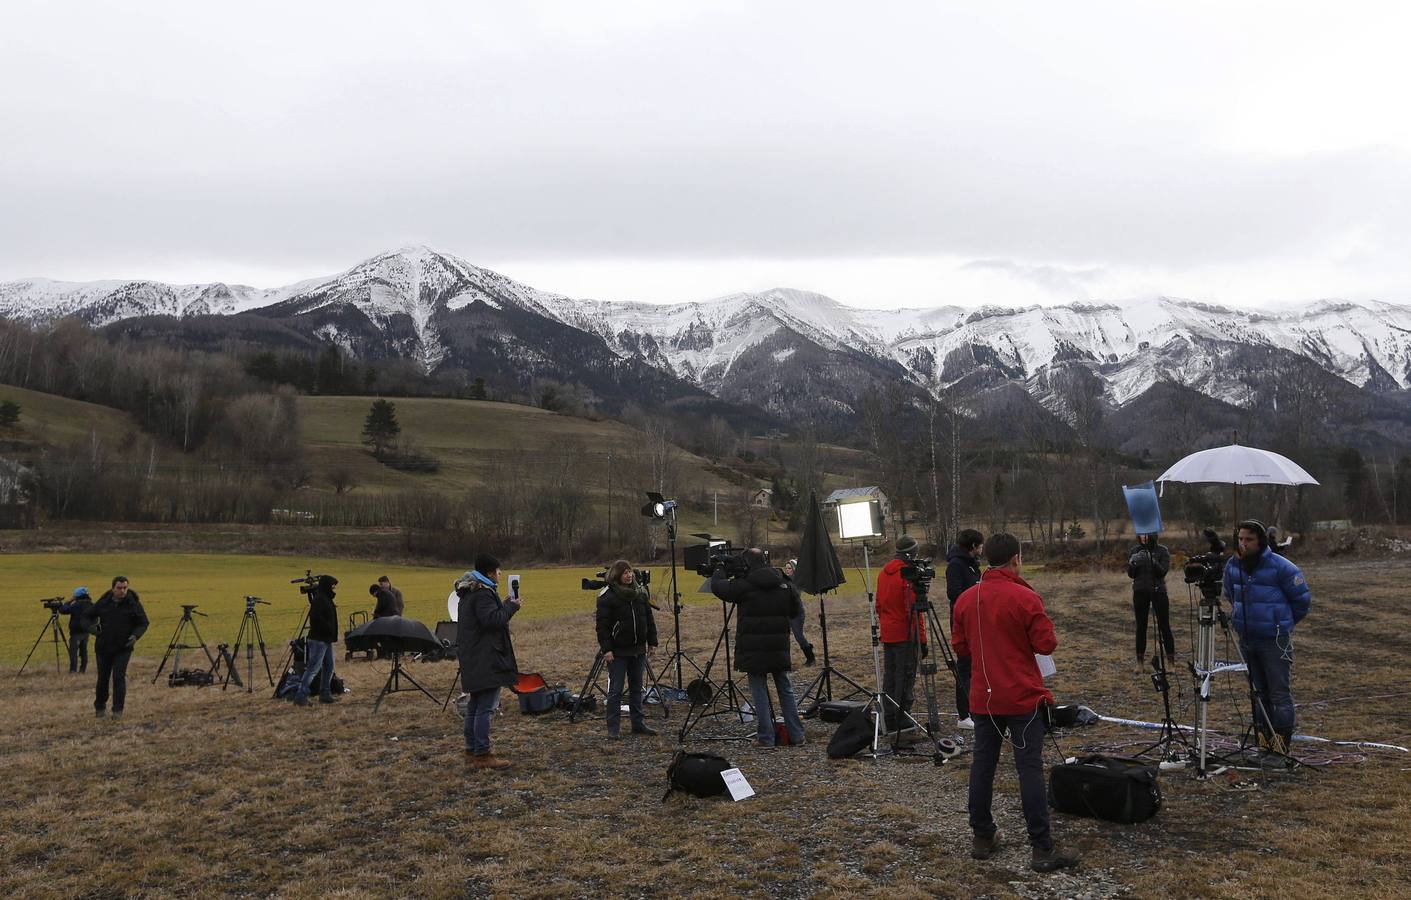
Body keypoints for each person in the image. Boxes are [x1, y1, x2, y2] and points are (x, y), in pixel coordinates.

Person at [953, 533, 1079, 873]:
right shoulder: (1024, 597)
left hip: (984, 698)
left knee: (983, 765)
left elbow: (961, 647)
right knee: (1028, 769)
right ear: (1016, 560)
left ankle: (982, 836)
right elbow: (1047, 644)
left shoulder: (966, 599)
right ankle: (1041, 847)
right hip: (1022, 697)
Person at [1224, 519, 1311, 757]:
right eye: (1240, 539)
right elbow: (1229, 594)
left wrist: (1281, 623)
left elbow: (1301, 601)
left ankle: (1280, 749)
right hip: (1247, 639)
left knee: (1278, 694)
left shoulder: (1282, 567)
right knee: (1259, 695)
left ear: (1260, 541)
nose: (1244, 544)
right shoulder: (1234, 565)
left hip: (1274, 641)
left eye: (1249, 539)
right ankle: (1264, 746)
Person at [710, 548, 805, 748]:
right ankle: (797, 736)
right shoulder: (783, 582)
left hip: (753, 649)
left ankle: (766, 738)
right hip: (779, 646)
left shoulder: (745, 585)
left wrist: (719, 568)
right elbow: (796, 609)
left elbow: (718, 587)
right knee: (785, 688)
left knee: (759, 691)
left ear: (747, 564)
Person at [457, 553, 522, 769]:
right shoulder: (482, 594)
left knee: (475, 705)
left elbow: (487, 617)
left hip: (474, 657)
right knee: (486, 707)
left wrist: (503, 605)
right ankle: (483, 754)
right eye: (498, 570)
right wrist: (512, 607)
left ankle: (471, 749)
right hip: (486, 658)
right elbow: (492, 621)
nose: (501, 574)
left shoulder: (470, 591)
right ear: (489, 573)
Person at [595, 560, 659, 738]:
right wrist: (606, 649)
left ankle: (638, 724)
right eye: (625, 573)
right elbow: (602, 627)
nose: (629, 575)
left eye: (630, 572)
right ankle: (613, 729)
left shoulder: (640, 594)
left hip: (638, 650)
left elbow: (649, 619)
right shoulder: (607, 597)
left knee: (637, 689)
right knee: (615, 691)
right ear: (617, 575)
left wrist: (652, 642)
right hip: (617, 652)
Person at [876, 534, 925, 732]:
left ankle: (889, 713)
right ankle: (902, 716)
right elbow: (913, 610)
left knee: (891, 675)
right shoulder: (906, 575)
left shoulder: (883, 573)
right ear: (911, 553)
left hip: (889, 632)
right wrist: (922, 638)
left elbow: (879, 605)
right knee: (905, 676)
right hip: (905, 633)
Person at [82, 576, 149, 719]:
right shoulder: (103, 602)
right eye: (119, 588)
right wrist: (92, 628)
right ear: (113, 588)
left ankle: (117, 710)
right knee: (103, 679)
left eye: (125, 588)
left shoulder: (133, 604)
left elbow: (143, 622)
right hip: (103, 647)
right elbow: (85, 617)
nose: (122, 591)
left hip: (123, 647)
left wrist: (135, 636)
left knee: (119, 678)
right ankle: (100, 707)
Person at [945, 530, 984, 730]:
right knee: (965, 666)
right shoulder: (956, 565)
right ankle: (963, 714)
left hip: (976, 621)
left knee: (977, 667)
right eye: (980, 545)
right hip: (963, 623)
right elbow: (954, 593)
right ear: (972, 546)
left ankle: (976, 708)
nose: (982, 549)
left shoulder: (972, 565)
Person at [1127, 533, 1175, 671]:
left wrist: (1151, 560)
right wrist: (1133, 563)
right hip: (1140, 591)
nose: (1144, 537)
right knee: (1141, 626)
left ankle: (1171, 663)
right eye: (1141, 534)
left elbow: (1162, 572)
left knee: (1164, 626)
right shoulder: (1134, 551)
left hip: (1158, 590)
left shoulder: (1162, 550)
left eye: (1147, 534)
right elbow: (1131, 574)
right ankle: (1140, 663)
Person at [294, 575, 340, 706]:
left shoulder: (325, 599)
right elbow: (316, 619)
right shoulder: (320, 600)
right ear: (327, 586)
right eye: (332, 586)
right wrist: (327, 629)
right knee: (313, 668)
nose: (334, 588)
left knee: (329, 667)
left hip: (326, 639)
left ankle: (325, 693)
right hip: (319, 639)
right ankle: (301, 695)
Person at [781, 559, 816, 666]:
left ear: (794, 570)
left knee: (799, 636)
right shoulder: (783, 580)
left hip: (797, 614)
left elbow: (793, 594)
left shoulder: (797, 582)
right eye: (786, 568)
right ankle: (783, 661)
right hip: (785, 613)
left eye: (789, 568)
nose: (787, 570)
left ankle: (811, 658)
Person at [59, 586, 94, 674]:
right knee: (83, 651)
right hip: (86, 631)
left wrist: (68, 601)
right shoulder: (91, 604)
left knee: (73, 652)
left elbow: (63, 610)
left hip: (76, 632)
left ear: (77, 595)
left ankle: (73, 670)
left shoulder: (77, 605)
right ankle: (83, 670)